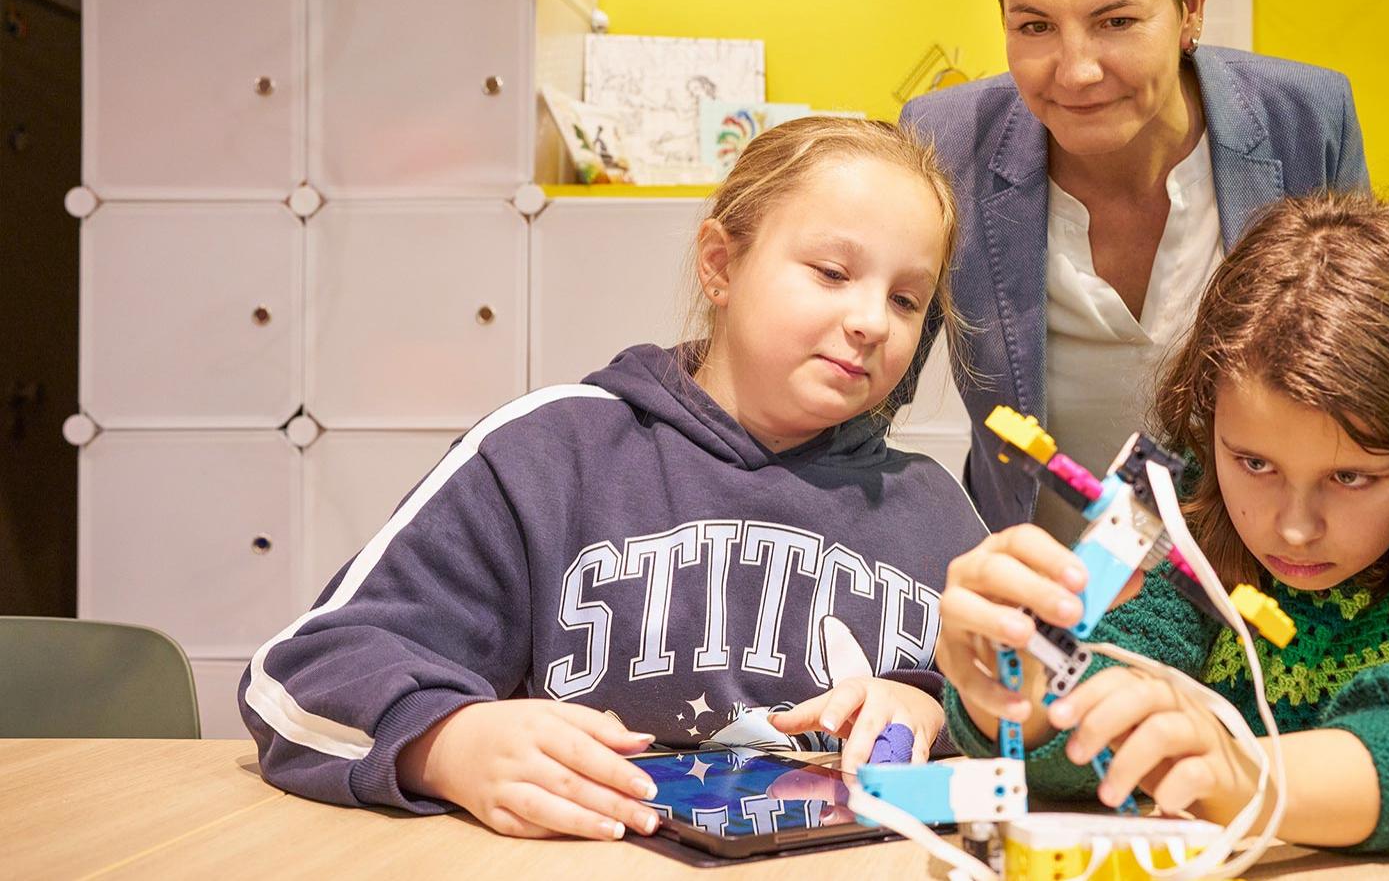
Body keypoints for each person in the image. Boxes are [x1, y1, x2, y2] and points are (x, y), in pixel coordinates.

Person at [240, 118, 984, 842]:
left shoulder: (937, 512)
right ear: (721, 266)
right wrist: (448, 745)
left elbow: (1037, 723)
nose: (870, 321)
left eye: (906, 300)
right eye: (831, 272)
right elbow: (302, 677)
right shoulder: (549, 454)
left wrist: (933, 708)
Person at [935, 193, 1389, 852]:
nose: (1291, 529)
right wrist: (1018, 694)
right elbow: (1105, 677)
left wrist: (1246, 774)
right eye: (1251, 463)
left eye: (1351, 477)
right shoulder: (1177, 497)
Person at [902, 0, 1368, 534]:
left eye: (1114, 21)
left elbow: (1363, 379)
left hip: (1261, 590)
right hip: (1044, 600)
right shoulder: (944, 140)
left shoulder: (1306, 120)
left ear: (1189, 7)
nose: (1076, 69)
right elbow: (862, 383)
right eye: (1033, 27)